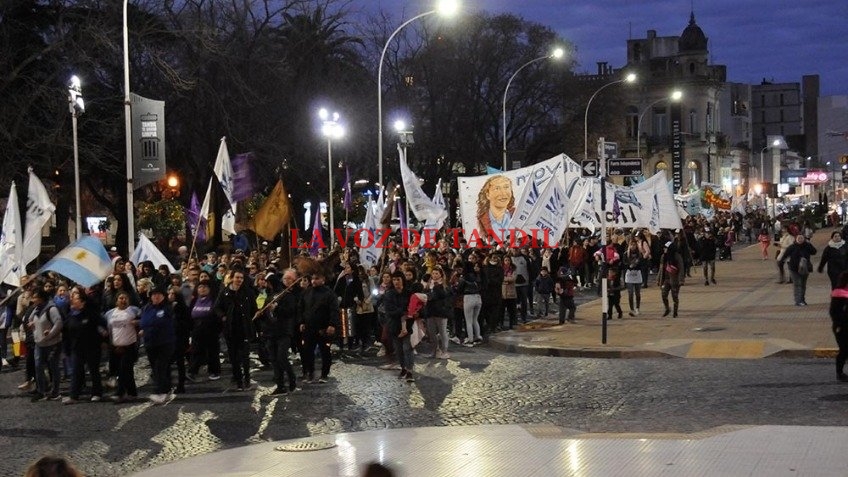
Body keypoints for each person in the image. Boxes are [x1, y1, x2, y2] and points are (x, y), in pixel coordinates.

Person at [258, 268, 301, 395]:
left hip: (283, 331)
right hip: (270, 332)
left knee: (282, 357)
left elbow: (290, 312)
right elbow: (266, 314)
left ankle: (291, 377)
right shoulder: (270, 296)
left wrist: (276, 309)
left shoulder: (287, 295)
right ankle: (280, 385)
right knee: (274, 360)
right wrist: (261, 314)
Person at [214, 269, 258, 390]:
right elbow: (217, 307)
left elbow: (254, 308)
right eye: (237, 277)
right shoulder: (225, 292)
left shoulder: (248, 292)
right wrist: (223, 316)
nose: (239, 280)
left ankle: (247, 379)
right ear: (232, 278)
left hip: (244, 328)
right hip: (230, 329)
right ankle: (238, 380)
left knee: (245, 356)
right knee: (233, 357)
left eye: (241, 278)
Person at [298, 272, 339, 383]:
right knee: (308, 351)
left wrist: (332, 324)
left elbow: (334, 310)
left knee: (325, 351)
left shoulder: (329, 294)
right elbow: (301, 308)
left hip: (323, 328)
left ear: (323, 279)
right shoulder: (306, 292)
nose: (313, 281)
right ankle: (310, 373)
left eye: (317, 278)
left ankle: (324, 374)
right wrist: (301, 322)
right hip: (309, 327)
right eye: (312, 278)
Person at [139, 285, 176, 404]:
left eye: (158, 294)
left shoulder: (167, 308)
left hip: (165, 342)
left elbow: (164, 321)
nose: (155, 296)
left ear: (163, 296)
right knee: (156, 368)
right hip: (150, 342)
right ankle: (166, 389)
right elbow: (144, 321)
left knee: (160, 367)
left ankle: (159, 391)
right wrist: (142, 328)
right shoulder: (147, 308)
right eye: (153, 294)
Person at [104, 291, 141, 403]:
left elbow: (144, 320)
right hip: (115, 346)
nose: (123, 300)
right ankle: (132, 393)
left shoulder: (134, 311)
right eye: (120, 298)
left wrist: (138, 322)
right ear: (116, 301)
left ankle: (120, 393)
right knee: (126, 371)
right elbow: (105, 327)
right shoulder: (110, 313)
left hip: (130, 345)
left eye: (125, 298)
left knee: (123, 369)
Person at [29, 288, 64, 402]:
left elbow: (58, 323)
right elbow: (31, 320)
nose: (32, 299)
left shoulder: (51, 309)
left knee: (53, 367)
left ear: (41, 298)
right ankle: (41, 391)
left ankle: (55, 391)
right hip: (39, 343)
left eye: (35, 297)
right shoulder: (36, 309)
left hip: (52, 343)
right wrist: (31, 324)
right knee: (38, 366)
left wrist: (50, 333)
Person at [380, 271, 413, 381]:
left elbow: (413, 307)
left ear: (402, 280)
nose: (396, 282)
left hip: (407, 325)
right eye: (394, 280)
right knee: (399, 349)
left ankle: (409, 371)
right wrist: (403, 311)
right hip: (394, 325)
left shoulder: (408, 293)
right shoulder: (389, 294)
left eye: (398, 279)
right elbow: (389, 310)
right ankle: (403, 368)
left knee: (407, 348)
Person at [187, 280, 221, 381]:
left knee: (212, 352)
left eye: (205, 287)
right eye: (200, 287)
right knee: (196, 351)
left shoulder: (214, 300)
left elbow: (217, 315)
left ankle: (214, 371)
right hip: (197, 330)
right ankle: (192, 372)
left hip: (211, 329)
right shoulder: (194, 301)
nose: (202, 289)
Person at [780, 234, 817, 306]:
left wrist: (809, 244)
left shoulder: (807, 246)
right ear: (796, 239)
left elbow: (814, 252)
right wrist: (781, 263)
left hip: (805, 268)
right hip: (794, 268)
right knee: (797, 284)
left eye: (802, 238)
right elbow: (784, 256)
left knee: (803, 284)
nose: (800, 239)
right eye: (798, 238)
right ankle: (798, 301)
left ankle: (802, 300)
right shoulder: (792, 247)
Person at [476, 175, 514, 243]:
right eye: (497, 189)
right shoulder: (482, 219)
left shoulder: (517, 213)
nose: (503, 193)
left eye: (506, 188)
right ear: (487, 195)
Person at [425, 266, 452, 359]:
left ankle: (445, 351)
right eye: (433, 273)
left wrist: (435, 287)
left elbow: (443, 295)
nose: (434, 275)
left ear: (441, 274)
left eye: (436, 273)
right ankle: (435, 350)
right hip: (430, 311)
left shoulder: (444, 285)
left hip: (441, 311)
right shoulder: (429, 285)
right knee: (431, 333)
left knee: (442, 332)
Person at [828, 271, 848, 383]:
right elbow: (834, 312)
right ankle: (839, 373)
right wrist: (839, 324)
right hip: (842, 327)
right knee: (845, 350)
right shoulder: (839, 294)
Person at [658, 240, 684, 318]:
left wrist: (681, 279)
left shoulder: (677, 256)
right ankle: (667, 308)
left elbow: (681, 268)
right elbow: (661, 268)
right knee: (664, 294)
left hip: (675, 280)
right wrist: (659, 279)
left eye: (666, 248)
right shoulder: (663, 257)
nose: (664, 249)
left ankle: (675, 312)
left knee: (674, 296)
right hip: (666, 279)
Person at [623, 239, 643, 316]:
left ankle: (637, 308)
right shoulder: (626, 254)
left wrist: (636, 264)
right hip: (629, 274)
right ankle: (632, 309)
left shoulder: (639, 254)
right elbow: (624, 263)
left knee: (637, 293)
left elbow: (642, 263)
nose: (633, 246)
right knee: (630, 293)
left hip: (637, 273)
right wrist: (629, 265)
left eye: (634, 245)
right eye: (631, 245)